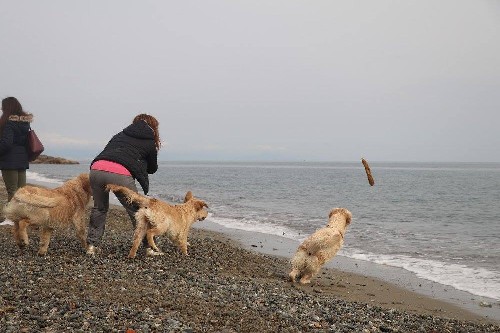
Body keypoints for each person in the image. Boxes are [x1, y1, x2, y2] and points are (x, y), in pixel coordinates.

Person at [86, 114, 161, 255]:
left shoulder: (119, 135)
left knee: (99, 208)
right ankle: (148, 247)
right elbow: (152, 168)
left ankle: (92, 246)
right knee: (137, 211)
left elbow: (110, 153)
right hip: (120, 174)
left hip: (96, 169)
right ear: (153, 127)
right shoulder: (150, 142)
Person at [0, 97, 33, 202]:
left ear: (8, 108)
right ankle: (20, 216)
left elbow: (7, 143)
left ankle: (11, 218)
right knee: (21, 192)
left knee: (12, 191)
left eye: (3, 107)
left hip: (9, 161)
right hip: (22, 159)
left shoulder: (8, 123)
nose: (1, 108)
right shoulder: (25, 123)